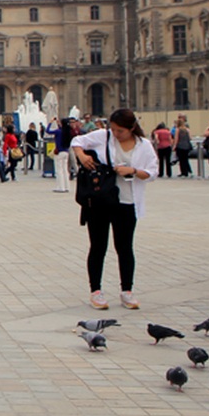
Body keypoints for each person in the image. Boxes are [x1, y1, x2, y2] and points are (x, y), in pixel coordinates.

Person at [71, 108, 158, 310]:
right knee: (98, 246)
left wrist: (133, 171)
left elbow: (153, 173)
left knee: (125, 248)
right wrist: (82, 155)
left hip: (128, 202)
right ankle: (96, 291)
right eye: (114, 129)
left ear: (131, 128)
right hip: (100, 201)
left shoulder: (144, 146)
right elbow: (77, 141)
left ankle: (127, 291)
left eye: (120, 131)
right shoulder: (104, 136)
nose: (116, 134)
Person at [46, 117, 72, 192]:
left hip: (59, 152)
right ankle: (67, 186)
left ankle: (60, 187)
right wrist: (58, 123)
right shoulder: (67, 132)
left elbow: (48, 131)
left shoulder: (58, 132)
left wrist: (50, 122)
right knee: (65, 170)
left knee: (59, 170)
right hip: (66, 152)